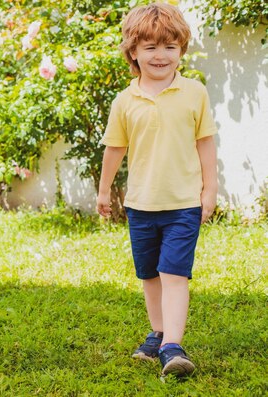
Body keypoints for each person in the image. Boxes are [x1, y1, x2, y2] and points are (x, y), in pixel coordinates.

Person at [96, 3, 218, 376]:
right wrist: (104, 192)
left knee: (174, 274)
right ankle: (158, 332)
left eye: (169, 46)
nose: (161, 55)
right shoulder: (125, 100)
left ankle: (172, 346)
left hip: (183, 204)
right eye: (150, 47)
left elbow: (206, 144)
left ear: (181, 48)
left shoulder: (194, 93)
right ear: (133, 51)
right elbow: (115, 149)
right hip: (141, 205)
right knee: (149, 274)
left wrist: (209, 189)